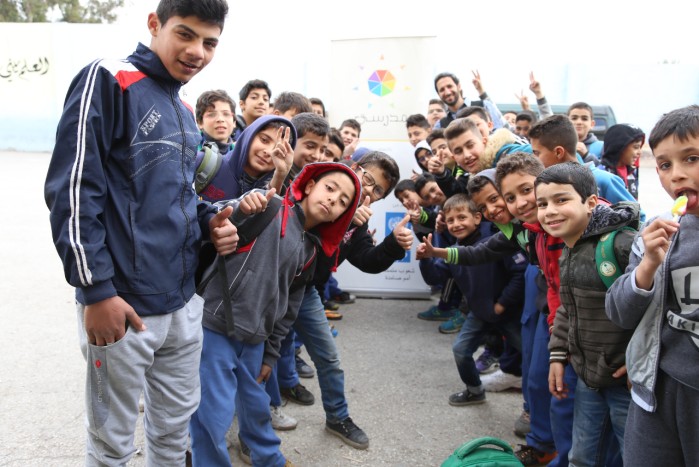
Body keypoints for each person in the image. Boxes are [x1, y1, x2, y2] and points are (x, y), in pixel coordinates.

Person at [43, 1, 235, 465]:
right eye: (185, 35)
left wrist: (210, 219)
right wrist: (95, 291)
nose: (197, 52)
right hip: (123, 307)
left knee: (173, 436)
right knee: (112, 443)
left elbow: (177, 194)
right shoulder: (108, 78)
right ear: (154, 24)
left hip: (183, 304)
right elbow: (72, 190)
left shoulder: (185, 108)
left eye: (209, 42)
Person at [190, 162, 361, 467]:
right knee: (212, 415)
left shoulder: (310, 251)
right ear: (309, 186)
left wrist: (270, 355)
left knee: (257, 407)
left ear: (340, 216)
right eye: (330, 188)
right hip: (217, 326)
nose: (334, 199)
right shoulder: (269, 207)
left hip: (255, 340)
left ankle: (269, 459)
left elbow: (288, 309)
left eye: (344, 201)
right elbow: (227, 217)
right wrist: (244, 207)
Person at [285, 151, 412, 450]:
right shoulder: (323, 191)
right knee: (258, 358)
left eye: (378, 190)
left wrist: (394, 243)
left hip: (304, 293)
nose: (368, 189)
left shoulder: (359, 223)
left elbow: (368, 260)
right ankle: (258, 419)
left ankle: (337, 417)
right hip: (267, 288)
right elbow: (290, 222)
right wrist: (341, 219)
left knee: (329, 358)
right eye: (368, 179)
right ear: (355, 167)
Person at [605, 104, 699, 466]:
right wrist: (647, 266)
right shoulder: (656, 233)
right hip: (657, 393)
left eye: (691, 158)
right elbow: (620, 313)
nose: (677, 175)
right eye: (664, 164)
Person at [536, 162, 639, 466]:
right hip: (589, 377)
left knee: (634, 456)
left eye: (561, 200)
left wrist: (641, 361)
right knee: (582, 457)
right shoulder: (569, 247)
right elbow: (569, 307)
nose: (550, 211)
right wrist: (557, 355)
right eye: (543, 204)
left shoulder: (622, 245)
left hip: (626, 382)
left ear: (591, 202)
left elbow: (658, 308)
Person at [417, 194, 526, 406]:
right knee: (460, 350)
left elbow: (519, 274)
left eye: (461, 217)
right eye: (450, 220)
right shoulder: (453, 251)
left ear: (477, 218)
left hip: (509, 312)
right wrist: (425, 260)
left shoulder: (495, 239)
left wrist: (501, 304)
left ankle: (536, 403)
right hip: (480, 311)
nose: (456, 224)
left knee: (531, 355)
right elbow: (435, 277)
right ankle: (475, 391)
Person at [527, 114, 644, 220]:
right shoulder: (547, 183)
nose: (534, 158)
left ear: (558, 152)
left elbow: (638, 217)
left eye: (536, 153)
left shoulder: (603, 180)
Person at [599, 123, 645, 200]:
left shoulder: (632, 173)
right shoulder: (602, 174)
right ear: (619, 147)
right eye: (636, 147)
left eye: (640, 147)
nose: (640, 152)